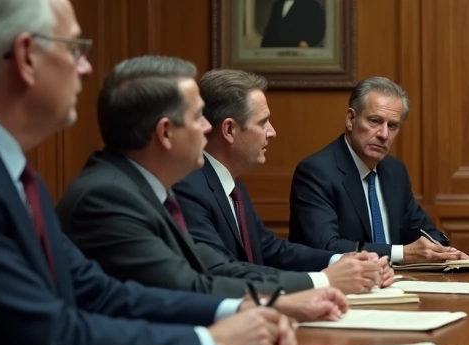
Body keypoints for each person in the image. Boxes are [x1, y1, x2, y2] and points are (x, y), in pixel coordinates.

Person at [0, 0, 343, 345]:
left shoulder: (8, 168)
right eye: (74, 47)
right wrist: (215, 342)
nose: (85, 65)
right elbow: (54, 340)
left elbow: (99, 293)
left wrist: (235, 313)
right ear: (26, 55)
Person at [56, 56, 354, 305]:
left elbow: (208, 268)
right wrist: (319, 282)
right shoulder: (109, 196)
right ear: (165, 133)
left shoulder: (144, 189)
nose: (206, 128)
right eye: (198, 116)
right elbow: (191, 286)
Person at [173, 69, 394, 292]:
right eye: (263, 123)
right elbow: (222, 270)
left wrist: (345, 262)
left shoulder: (234, 189)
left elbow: (271, 249)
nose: (272, 132)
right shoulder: (188, 188)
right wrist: (325, 279)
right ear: (229, 130)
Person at [289, 76, 469, 264]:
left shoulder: (394, 171)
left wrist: (454, 256)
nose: (384, 134)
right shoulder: (316, 172)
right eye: (375, 121)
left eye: (393, 126)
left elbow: (422, 230)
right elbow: (326, 247)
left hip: (396, 286)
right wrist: (402, 254)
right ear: (351, 119)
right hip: (338, 292)